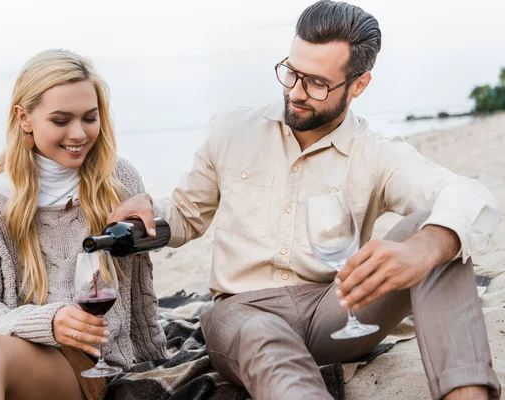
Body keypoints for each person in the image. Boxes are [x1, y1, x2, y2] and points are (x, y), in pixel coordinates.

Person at [106, 1, 502, 399]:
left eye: (316, 83)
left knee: (440, 231)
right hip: (242, 313)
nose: (295, 92)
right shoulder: (231, 130)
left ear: (359, 84)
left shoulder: (375, 153)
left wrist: (429, 245)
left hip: (338, 310)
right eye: (291, 73)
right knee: (263, 336)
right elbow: (186, 213)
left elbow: (469, 194)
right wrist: (150, 211)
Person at [0, 49, 167, 400]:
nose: (79, 134)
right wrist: (48, 321)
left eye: (90, 118)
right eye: (61, 121)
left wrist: (151, 356)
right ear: (24, 118)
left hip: (80, 359)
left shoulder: (118, 180)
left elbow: (140, 286)